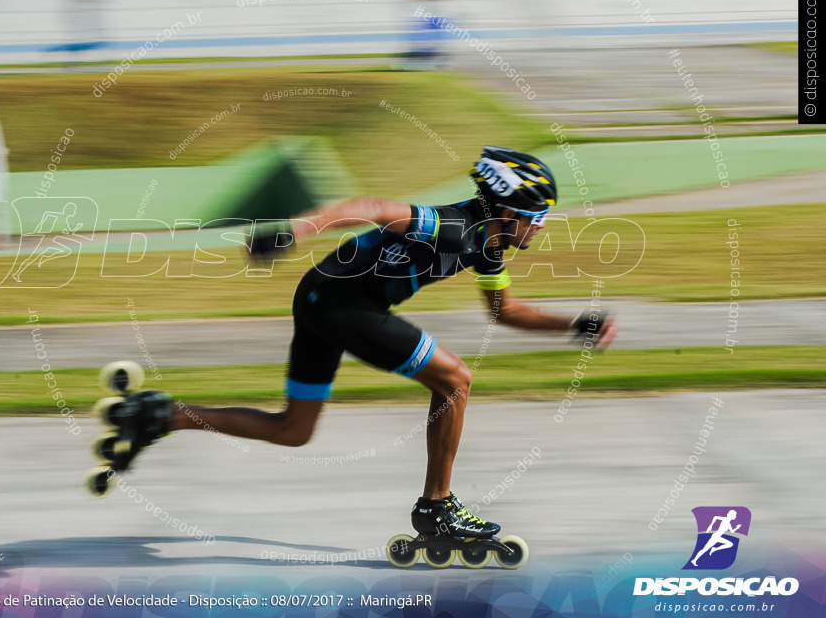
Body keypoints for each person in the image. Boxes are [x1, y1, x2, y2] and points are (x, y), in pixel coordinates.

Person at [101, 145, 617, 543]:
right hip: (344, 305)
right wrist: (294, 232)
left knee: (293, 430)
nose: (540, 227)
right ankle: (437, 507)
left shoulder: (487, 244)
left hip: (323, 297)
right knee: (455, 378)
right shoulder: (455, 226)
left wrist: (575, 325)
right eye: (536, 216)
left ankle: (163, 416)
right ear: (506, 209)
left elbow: (506, 311)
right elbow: (371, 206)